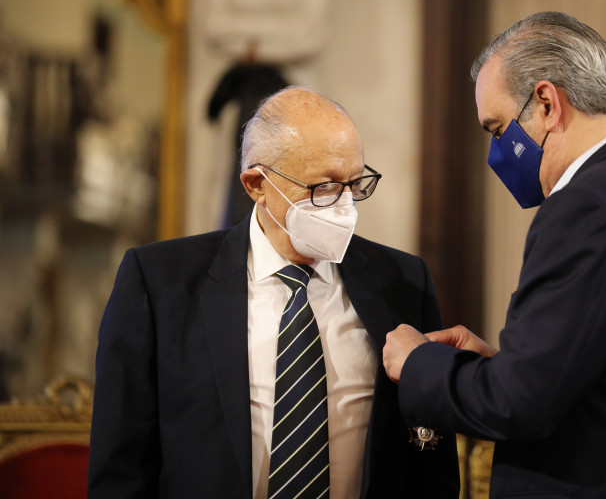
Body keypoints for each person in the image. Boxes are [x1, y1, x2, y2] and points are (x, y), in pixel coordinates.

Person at [383, 11, 606, 499]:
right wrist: (498, 366)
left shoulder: (588, 208)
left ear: (547, 103)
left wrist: (418, 363)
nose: (496, 153)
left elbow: (516, 404)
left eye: (496, 129)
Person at [88, 86, 459, 499]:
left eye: (355, 184)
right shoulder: (159, 281)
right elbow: (120, 467)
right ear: (256, 185)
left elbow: (432, 464)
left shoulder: (404, 280)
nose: (345, 205)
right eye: (324, 187)